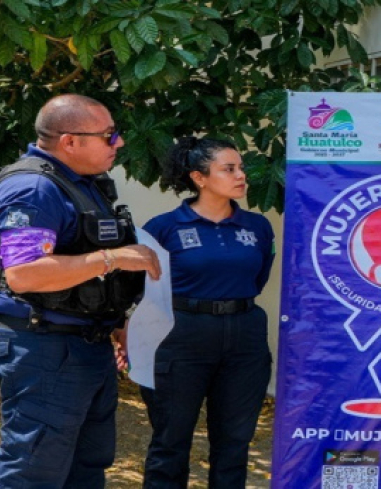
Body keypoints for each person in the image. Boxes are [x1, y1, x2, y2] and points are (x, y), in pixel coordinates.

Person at [0, 93, 162, 488]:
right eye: (108, 135)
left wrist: (117, 321)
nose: (119, 142)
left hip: (84, 344)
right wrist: (113, 258)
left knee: (86, 468)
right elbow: (24, 274)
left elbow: (81, 258)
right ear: (70, 141)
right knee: (35, 471)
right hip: (45, 347)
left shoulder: (81, 184)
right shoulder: (33, 189)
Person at [135, 137, 275, 488]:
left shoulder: (257, 227)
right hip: (181, 335)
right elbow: (143, 288)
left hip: (245, 337)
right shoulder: (163, 227)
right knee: (171, 439)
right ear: (199, 178)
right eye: (229, 169)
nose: (241, 175)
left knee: (234, 441)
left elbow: (258, 279)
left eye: (240, 167)